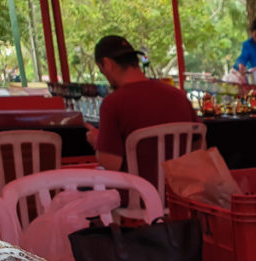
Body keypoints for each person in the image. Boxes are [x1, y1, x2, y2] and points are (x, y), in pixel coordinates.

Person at [85, 35, 199, 173]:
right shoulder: (179, 96)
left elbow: (112, 164)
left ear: (107, 64)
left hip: (137, 192)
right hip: (180, 191)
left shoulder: (112, 104)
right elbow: (199, 146)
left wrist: (98, 142)